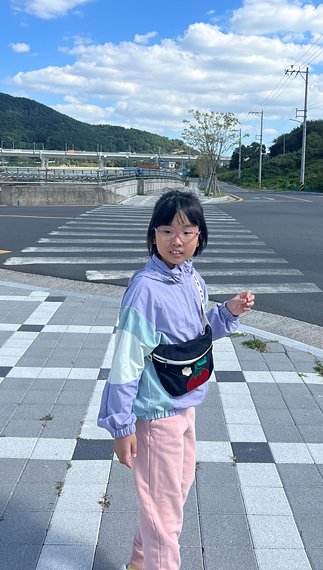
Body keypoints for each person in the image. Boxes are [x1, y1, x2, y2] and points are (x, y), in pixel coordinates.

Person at [98, 189, 254, 570]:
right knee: (164, 515)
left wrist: (227, 312)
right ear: (153, 235)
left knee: (170, 499)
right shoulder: (145, 290)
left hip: (185, 404)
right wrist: (121, 426)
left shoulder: (192, 279)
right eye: (167, 230)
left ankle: (139, 562)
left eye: (187, 231)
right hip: (155, 415)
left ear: (200, 236)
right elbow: (126, 361)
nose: (176, 240)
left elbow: (195, 337)